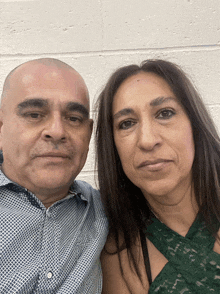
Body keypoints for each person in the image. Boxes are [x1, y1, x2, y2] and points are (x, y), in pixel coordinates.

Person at [96, 59, 220, 293]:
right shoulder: (117, 256)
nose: (147, 140)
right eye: (127, 123)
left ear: (194, 124)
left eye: (164, 113)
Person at [0, 58, 108, 294]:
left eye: (73, 118)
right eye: (34, 114)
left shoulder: (105, 211)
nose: (57, 131)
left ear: (88, 134)